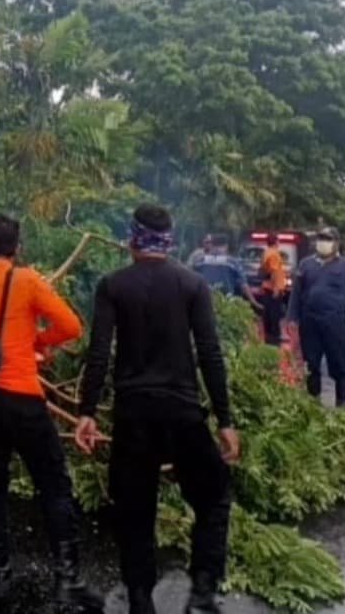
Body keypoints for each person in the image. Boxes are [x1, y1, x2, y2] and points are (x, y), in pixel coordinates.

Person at [75, 204, 240, 614]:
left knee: (134, 511)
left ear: (133, 239)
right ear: (171, 241)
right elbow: (209, 354)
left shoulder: (113, 285)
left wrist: (87, 411)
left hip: (134, 415)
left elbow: (99, 354)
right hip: (183, 413)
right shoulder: (192, 284)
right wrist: (225, 421)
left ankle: (140, 599)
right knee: (214, 497)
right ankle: (202, 591)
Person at [0, 214, 103, 613]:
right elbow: (71, 326)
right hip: (25, 401)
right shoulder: (27, 280)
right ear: (17, 249)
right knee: (54, 487)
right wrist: (37, 342)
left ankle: (1, 580)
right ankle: (67, 580)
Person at [286, 226, 345, 407]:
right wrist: (291, 318)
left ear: (336, 243)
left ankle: (341, 405)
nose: (323, 242)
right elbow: (296, 293)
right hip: (310, 322)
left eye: (328, 239)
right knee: (311, 364)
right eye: (321, 238)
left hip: (335, 323)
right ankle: (313, 404)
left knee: (340, 365)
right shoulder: (305, 265)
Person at [193, 233, 263, 312]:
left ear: (211, 245)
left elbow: (192, 282)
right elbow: (244, 285)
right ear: (226, 246)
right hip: (226, 303)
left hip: (204, 301)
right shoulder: (232, 263)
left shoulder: (199, 261)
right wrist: (254, 302)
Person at [259, 233, 287, 346]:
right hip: (272, 289)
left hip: (267, 287)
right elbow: (274, 272)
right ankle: (274, 336)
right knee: (274, 313)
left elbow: (262, 270)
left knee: (269, 312)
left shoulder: (266, 252)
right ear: (276, 241)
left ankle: (269, 335)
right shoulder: (274, 254)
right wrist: (276, 289)